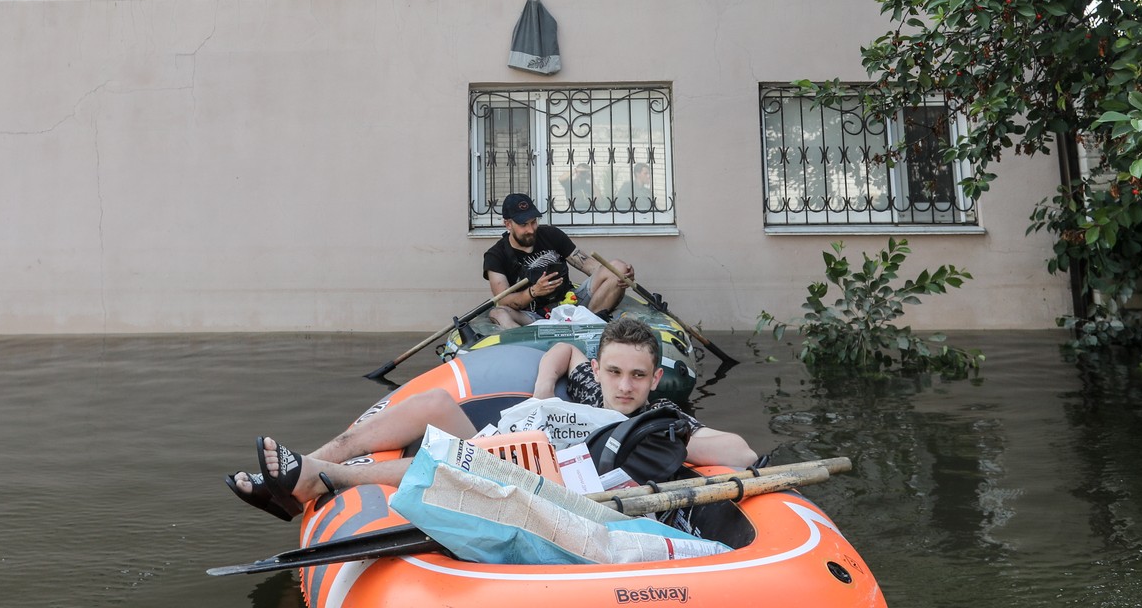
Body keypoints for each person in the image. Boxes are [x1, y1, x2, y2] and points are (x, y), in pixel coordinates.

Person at [227, 317, 758, 520]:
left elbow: (743, 454)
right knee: (434, 405)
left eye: (638, 377)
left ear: (654, 376)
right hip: (510, 440)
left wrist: (684, 436)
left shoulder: (659, 417)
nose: (624, 387)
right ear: (600, 367)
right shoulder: (592, 377)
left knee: (474, 459)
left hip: (539, 482)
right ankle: (310, 466)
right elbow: (563, 353)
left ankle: (310, 481)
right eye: (615, 371)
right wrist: (543, 392)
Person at [483, 192, 631, 328]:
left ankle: (587, 325)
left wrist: (618, 274)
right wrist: (533, 292)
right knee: (497, 313)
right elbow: (503, 300)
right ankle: (532, 345)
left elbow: (590, 266)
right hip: (533, 316)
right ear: (508, 224)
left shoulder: (551, 234)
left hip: (571, 303)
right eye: (523, 225)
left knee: (618, 267)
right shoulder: (495, 256)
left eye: (533, 222)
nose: (531, 229)